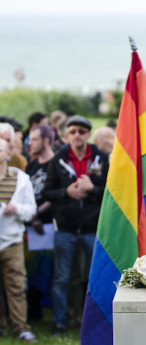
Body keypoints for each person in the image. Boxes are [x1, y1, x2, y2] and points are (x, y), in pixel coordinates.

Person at [42, 115, 109, 335]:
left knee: (93, 278)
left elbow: (112, 191)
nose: (77, 135)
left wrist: (92, 189)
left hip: (92, 229)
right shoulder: (58, 159)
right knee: (62, 278)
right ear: (65, 135)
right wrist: (66, 192)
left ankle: (89, 319)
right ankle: (60, 322)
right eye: (72, 131)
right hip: (66, 229)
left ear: (89, 134)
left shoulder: (101, 158)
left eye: (81, 131)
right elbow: (47, 192)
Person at [0, 138, 37, 342]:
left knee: (15, 284)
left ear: (7, 154)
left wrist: (17, 209)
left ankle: (21, 327)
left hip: (12, 240)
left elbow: (31, 209)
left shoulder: (21, 178)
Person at [25, 124, 55, 322]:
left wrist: (37, 213)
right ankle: (34, 314)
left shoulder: (56, 163)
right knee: (31, 270)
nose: (29, 143)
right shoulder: (31, 165)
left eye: (34, 139)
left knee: (50, 271)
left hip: (50, 227)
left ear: (46, 140)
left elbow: (56, 195)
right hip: (31, 227)